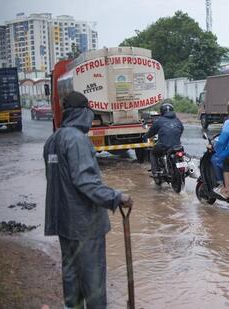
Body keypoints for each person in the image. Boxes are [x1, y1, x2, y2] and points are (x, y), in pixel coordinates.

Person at [43, 91, 133, 308]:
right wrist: (116, 197)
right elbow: (85, 181)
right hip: (84, 224)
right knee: (93, 281)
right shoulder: (77, 140)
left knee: (71, 275)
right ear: (83, 112)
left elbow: (55, 180)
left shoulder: (52, 140)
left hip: (63, 222)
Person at [144, 102, 184, 179]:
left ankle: (155, 172)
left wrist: (146, 136)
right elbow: (181, 130)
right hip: (178, 146)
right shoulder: (178, 120)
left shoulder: (159, 121)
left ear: (162, 112)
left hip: (164, 145)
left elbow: (151, 133)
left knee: (153, 153)